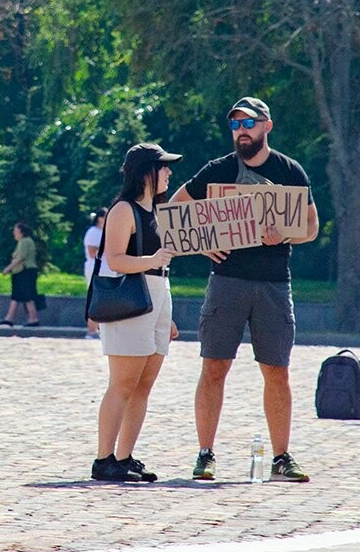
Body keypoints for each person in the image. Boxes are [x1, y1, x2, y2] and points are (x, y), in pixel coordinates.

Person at [169, 97, 319, 483]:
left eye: (249, 123)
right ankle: (205, 455)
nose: (241, 131)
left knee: (277, 372)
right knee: (214, 367)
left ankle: (281, 457)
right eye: (235, 125)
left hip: (272, 283)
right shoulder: (217, 170)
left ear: (267, 126)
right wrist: (202, 242)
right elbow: (175, 208)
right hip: (226, 282)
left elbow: (311, 228)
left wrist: (283, 234)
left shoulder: (289, 170)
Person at [92, 144, 180, 482]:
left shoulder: (157, 211)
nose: (169, 173)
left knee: (144, 384)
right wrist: (151, 261)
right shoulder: (123, 210)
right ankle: (104, 459)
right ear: (147, 171)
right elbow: (115, 259)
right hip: (131, 298)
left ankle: (125, 456)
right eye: (164, 167)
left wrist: (165, 314)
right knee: (123, 383)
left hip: (158, 294)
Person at [0, 222, 39, 327]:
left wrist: (8, 268)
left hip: (25, 271)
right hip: (21, 272)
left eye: (15, 231)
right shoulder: (23, 241)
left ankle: (33, 318)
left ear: (21, 232)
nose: (14, 233)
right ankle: (9, 318)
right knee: (17, 296)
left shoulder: (25, 241)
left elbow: (20, 258)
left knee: (27, 295)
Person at [83, 208, 108, 338]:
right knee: (95, 298)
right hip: (94, 268)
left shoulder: (104, 232)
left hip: (103, 268)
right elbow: (92, 252)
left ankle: (98, 329)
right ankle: (91, 330)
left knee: (102, 298)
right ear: (100, 218)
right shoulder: (93, 232)